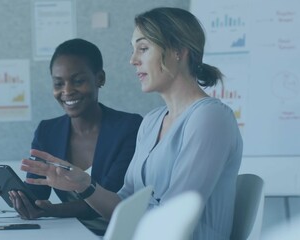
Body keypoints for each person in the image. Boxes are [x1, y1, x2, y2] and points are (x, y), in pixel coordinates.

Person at [21, 7, 243, 240]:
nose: (133, 60)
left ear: (178, 51)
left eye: (143, 49)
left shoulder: (210, 118)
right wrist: (84, 185)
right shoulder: (151, 121)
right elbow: (125, 203)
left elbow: (172, 217)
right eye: (133, 50)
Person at [0, 38, 142, 235]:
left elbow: (112, 198)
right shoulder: (48, 131)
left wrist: (51, 211)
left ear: (100, 78)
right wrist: (5, 189)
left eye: (78, 81)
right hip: (71, 232)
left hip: (120, 233)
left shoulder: (129, 127)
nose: (67, 91)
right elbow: (37, 194)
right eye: (58, 83)